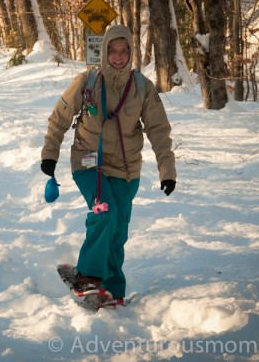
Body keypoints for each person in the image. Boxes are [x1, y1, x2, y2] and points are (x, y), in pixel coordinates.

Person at [41, 24, 176, 307]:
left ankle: (113, 287)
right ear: (104, 52)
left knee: (118, 230)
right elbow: (60, 117)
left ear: (130, 53)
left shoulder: (142, 87)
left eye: (123, 51)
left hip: (127, 171)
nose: (117, 56)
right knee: (105, 212)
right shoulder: (87, 82)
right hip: (90, 164)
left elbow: (159, 130)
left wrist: (167, 170)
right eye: (112, 51)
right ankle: (88, 276)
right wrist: (49, 153)